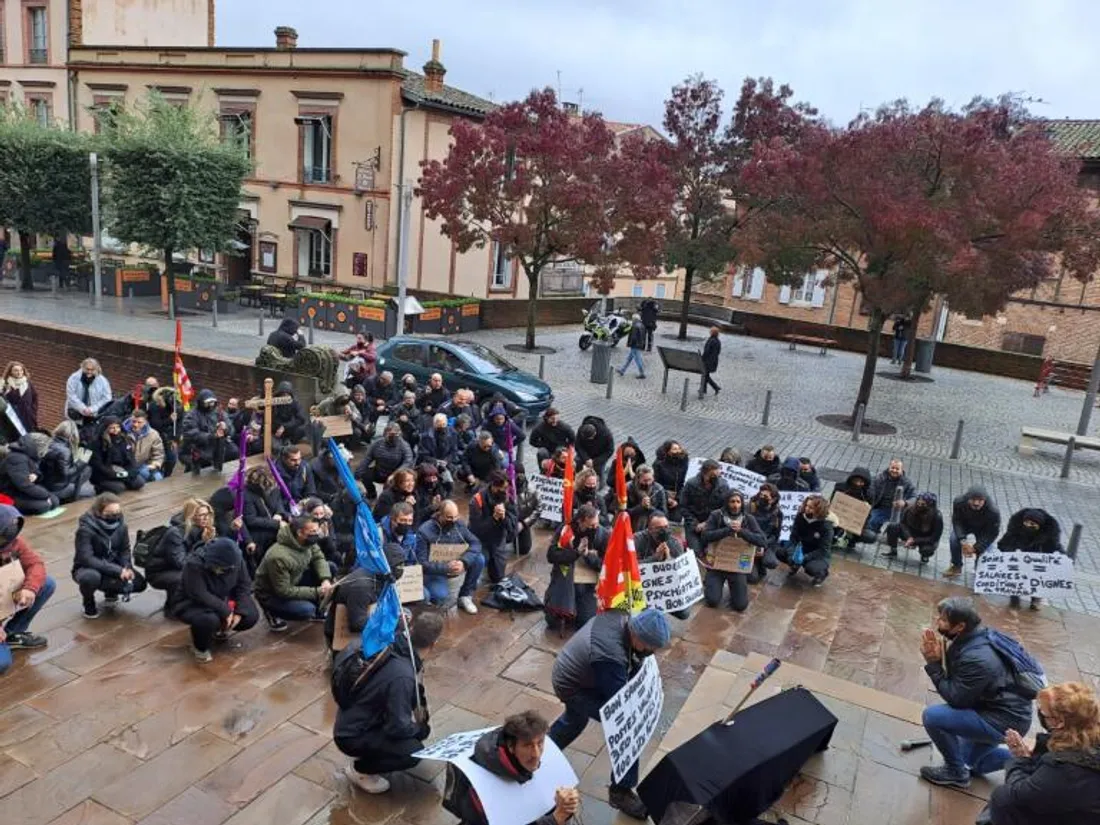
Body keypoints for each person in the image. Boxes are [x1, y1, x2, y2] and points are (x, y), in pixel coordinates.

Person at [549, 608, 672, 819]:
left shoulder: (621, 617)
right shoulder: (611, 657)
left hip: (573, 673)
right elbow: (619, 708)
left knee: (575, 721)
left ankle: (544, 752)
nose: (651, 653)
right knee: (629, 730)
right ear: (638, 637)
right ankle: (620, 791)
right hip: (573, 686)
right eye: (650, 648)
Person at [918, 597, 1032, 790]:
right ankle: (1027, 762)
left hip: (1002, 720)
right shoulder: (977, 637)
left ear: (960, 626)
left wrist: (934, 664)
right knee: (972, 762)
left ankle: (955, 772)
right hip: (1006, 714)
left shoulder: (977, 658)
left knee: (933, 717)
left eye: (944, 620)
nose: (938, 622)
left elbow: (956, 698)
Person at [333, 611, 444, 794]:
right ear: (434, 644)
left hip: (351, 716)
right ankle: (361, 770)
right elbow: (398, 727)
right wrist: (419, 730)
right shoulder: (403, 675)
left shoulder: (389, 644)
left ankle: (373, 749)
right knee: (413, 751)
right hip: (352, 734)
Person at [987, 681, 1100, 825]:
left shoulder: (1066, 767)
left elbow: (1021, 794)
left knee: (1002, 798)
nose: (1040, 714)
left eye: (1043, 713)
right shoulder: (1087, 737)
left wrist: (1021, 759)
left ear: (1059, 722)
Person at [444, 710, 582, 825]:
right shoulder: (484, 791)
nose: (536, 754)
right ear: (511, 747)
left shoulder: (524, 761)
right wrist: (556, 818)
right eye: (527, 745)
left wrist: (566, 805)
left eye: (540, 743)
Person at [173, 537, 258, 663]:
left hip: (224, 597)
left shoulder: (236, 560)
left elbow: (244, 585)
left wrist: (240, 611)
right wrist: (226, 611)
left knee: (250, 615)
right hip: (193, 603)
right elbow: (199, 593)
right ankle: (200, 647)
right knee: (208, 620)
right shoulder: (194, 564)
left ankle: (220, 630)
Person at [325, 542, 409, 654]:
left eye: (403, 564)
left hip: (366, 616)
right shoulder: (361, 587)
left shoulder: (380, 576)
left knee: (405, 614)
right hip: (345, 636)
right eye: (398, 566)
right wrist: (391, 623)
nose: (401, 569)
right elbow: (356, 624)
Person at [254, 514, 335, 631]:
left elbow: (318, 558)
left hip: (295, 577)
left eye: (317, 530)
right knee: (306, 610)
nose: (316, 534)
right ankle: (271, 611)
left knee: (330, 567)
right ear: (300, 533)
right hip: (272, 593)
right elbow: (284, 591)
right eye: (313, 531)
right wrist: (318, 592)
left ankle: (319, 609)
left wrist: (325, 579)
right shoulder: (278, 556)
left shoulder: (307, 542)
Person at [72, 493, 147, 618]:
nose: (115, 516)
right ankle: (88, 602)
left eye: (117, 512)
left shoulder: (121, 526)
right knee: (90, 578)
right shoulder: (85, 530)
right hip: (88, 568)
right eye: (110, 513)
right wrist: (118, 571)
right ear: (99, 512)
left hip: (113, 564)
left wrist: (126, 567)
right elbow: (87, 559)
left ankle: (110, 592)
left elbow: (125, 550)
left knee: (139, 583)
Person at [0, 504, 53, 672]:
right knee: (2, 665)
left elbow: (35, 563)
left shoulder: (14, 542)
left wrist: (29, 588)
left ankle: (12, 633)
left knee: (47, 584)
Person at [701, 490, 768, 612]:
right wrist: (727, 530)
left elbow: (763, 541)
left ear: (742, 503)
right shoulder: (716, 515)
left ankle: (734, 590)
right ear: (727, 502)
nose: (735, 505)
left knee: (740, 606)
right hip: (717, 565)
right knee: (712, 601)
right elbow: (705, 536)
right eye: (732, 501)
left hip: (737, 567)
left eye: (738, 502)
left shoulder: (748, 519)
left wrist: (742, 531)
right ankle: (711, 583)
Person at [544, 504, 608, 631]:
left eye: (596, 524)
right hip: (564, 579)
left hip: (587, 585)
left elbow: (606, 565)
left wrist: (588, 556)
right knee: (552, 622)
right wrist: (575, 553)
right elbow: (551, 555)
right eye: (590, 526)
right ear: (580, 521)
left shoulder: (602, 534)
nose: (595, 528)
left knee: (585, 623)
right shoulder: (565, 529)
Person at [146, 497, 215, 613]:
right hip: (160, 572)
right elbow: (181, 563)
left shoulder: (204, 529)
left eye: (207, 514)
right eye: (201, 515)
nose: (206, 518)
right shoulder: (175, 533)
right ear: (191, 516)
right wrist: (203, 543)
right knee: (183, 577)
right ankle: (173, 608)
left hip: (180, 566)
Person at [416, 500, 484, 614]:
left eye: (455, 517)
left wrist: (464, 561)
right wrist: (446, 568)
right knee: (440, 596)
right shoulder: (424, 531)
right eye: (449, 517)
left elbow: (476, 543)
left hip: (456, 562)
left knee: (479, 559)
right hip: (435, 570)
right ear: (440, 514)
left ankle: (465, 595)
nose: (453, 520)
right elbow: (421, 563)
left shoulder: (459, 524)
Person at [997, 509, 1064, 611]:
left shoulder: (1048, 535)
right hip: (1019, 560)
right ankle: (1014, 599)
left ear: (1039, 526)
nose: (1028, 526)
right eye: (1026, 523)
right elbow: (1003, 544)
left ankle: (1035, 599)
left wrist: (1063, 558)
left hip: (1036, 561)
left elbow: (1054, 548)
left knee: (1037, 579)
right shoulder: (1015, 529)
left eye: (1032, 524)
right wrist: (1011, 552)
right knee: (1015, 577)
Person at [633, 512, 691, 619]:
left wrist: (668, 559)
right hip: (644, 588)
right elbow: (630, 568)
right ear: (649, 529)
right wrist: (655, 558)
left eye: (666, 527)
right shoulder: (637, 540)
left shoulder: (674, 543)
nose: (664, 531)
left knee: (684, 613)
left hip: (665, 588)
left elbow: (681, 571)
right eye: (659, 528)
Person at [469, 470, 519, 584]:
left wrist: (504, 516)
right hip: (481, 540)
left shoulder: (509, 497)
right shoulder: (477, 500)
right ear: (493, 486)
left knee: (498, 578)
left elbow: (513, 525)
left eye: (506, 488)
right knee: (478, 562)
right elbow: (477, 529)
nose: (504, 492)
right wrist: (494, 518)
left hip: (498, 539)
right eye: (502, 489)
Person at [776, 495, 834, 586]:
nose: (807, 509)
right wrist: (792, 555)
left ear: (819, 510)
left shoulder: (826, 527)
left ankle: (822, 574)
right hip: (801, 548)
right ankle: (794, 566)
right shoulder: (800, 517)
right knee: (780, 552)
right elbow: (793, 537)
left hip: (816, 554)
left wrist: (804, 558)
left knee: (811, 569)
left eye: (811, 508)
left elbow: (823, 550)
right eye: (806, 505)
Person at [945, 485, 1001, 579]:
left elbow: (991, 533)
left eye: (980, 500)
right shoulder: (959, 502)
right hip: (966, 525)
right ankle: (956, 566)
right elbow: (957, 521)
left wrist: (976, 548)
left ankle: (979, 569)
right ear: (967, 498)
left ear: (985, 500)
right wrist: (963, 541)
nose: (976, 503)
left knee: (987, 550)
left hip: (984, 530)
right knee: (954, 539)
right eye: (973, 499)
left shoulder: (993, 511)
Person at [0, 434, 60, 515]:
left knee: (54, 501)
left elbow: (36, 472)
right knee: (44, 506)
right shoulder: (16, 458)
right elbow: (24, 485)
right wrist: (46, 495)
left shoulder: (26, 454)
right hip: (10, 494)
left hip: (20, 491)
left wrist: (36, 475)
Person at [180, 390, 238, 473]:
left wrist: (225, 428)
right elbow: (191, 434)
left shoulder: (219, 412)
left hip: (218, 446)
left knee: (234, 451)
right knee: (201, 462)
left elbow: (231, 429)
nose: (211, 405)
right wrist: (211, 436)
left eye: (212, 402)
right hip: (199, 447)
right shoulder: (191, 415)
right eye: (208, 403)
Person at [681, 459, 730, 555]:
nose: (716, 478)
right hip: (693, 524)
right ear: (704, 473)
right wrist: (695, 523)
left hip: (714, 524)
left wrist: (707, 523)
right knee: (696, 552)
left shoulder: (723, 485)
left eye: (718, 475)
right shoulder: (691, 484)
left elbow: (724, 508)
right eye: (713, 476)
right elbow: (683, 506)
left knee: (713, 553)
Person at [41, 421, 94, 503]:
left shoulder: (48, 443)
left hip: (47, 482)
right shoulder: (65, 451)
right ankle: (71, 502)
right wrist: (82, 461)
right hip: (57, 487)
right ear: (73, 434)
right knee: (90, 492)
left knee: (87, 469)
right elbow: (66, 474)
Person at [89, 417, 146, 494]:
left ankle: (123, 482)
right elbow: (98, 465)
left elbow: (131, 459)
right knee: (119, 488)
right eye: (112, 428)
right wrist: (114, 475)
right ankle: (100, 487)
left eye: (118, 427)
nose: (116, 430)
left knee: (139, 482)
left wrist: (130, 472)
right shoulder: (97, 443)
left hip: (122, 469)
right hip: (106, 473)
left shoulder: (124, 439)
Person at [242, 466, 289, 560]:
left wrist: (279, 513)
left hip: (274, 521)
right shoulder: (246, 495)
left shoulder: (273, 487)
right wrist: (276, 524)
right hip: (260, 531)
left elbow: (278, 500)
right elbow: (251, 520)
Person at [885, 492, 944, 562]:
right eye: (918, 503)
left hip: (925, 538)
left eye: (923, 504)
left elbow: (934, 537)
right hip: (910, 533)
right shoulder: (909, 508)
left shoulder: (937, 516)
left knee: (927, 549)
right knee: (892, 527)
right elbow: (903, 524)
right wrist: (909, 537)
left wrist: (915, 540)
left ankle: (925, 556)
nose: (919, 506)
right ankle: (893, 550)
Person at [356, 422, 414, 491]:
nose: (392, 436)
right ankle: (371, 493)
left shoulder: (404, 446)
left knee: (387, 491)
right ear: (385, 433)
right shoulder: (377, 443)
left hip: (395, 474)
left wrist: (394, 475)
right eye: (389, 433)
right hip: (379, 471)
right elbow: (367, 459)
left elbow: (408, 462)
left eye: (395, 434)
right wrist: (357, 474)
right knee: (365, 474)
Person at [831, 467, 875, 550]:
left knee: (870, 536)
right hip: (837, 520)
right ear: (851, 479)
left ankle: (852, 539)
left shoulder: (869, 494)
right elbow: (832, 505)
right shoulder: (840, 487)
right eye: (856, 481)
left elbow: (868, 516)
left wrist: (865, 510)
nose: (858, 484)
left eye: (861, 482)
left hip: (854, 523)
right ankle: (832, 537)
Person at [867, 459, 915, 535]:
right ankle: (875, 529)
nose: (894, 470)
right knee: (871, 522)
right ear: (889, 467)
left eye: (897, 469)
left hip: (899, 510)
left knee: (901, 531)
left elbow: (914, 497)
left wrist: (905, 502)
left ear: (901, 470)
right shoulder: (879, 478)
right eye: (892, 468)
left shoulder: (907, 482)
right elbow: (870, 488)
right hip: (881, 507)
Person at [65, 358, 112, 430]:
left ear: (96, 369)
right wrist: (83, 408)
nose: (89, 372)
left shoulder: (103, 381)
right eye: (87, 369)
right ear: (82, 367)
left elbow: (107, 398)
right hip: (75, 414)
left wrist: (92, 409)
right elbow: (71, 395)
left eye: (92, 370)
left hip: (93, 416)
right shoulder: (73, 378)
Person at [748, 483, 782, 581]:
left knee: (771, 562)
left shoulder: (777, 513)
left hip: (765, 544)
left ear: (774, 499)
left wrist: (764, 545)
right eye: (761, 495)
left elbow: (776, 535)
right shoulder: (750, 506)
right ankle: (754, 563)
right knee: (752, 579)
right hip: (749, 542)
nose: (762, 498)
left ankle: (759, 562)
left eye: (766, 496)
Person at [146, 385, 181, 477]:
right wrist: (169, 419)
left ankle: (166, 476)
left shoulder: (173, 407)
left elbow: (179, 424)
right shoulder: (154, 406)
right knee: (158, 458)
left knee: (172, 459)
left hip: (169, 438)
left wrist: (175, 439)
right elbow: (155, 424)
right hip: (158, 436)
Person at [124, 409, 165, 484]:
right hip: (127, 466)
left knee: (158, 478)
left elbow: (158, 454)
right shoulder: (122, 433)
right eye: (133, 421)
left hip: (143, 464)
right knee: (140, 481)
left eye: (139, 422)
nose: (136, 424)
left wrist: (154, 464)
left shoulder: (153, 434)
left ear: (145, 422)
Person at [652, 440, 689, 522]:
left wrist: (677, 499)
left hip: (677, 496)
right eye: (674, 449)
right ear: (667, 451)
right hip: (662, 493)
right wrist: (666, 497)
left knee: (676, 519)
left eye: (679, 448)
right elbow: (657, 483)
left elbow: (683, 482)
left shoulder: (684, 460)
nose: (678, 451)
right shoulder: (659, 464)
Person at [417, 413, 461, 482]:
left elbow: (454, 450)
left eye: (443, 424)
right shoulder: (426, 436)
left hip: (447, 461)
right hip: (431, 462)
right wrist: (436, 461)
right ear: (434, 424)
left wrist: (446, 460)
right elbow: (423, 454)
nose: (442, 427)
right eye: (439, 425)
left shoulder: (453, 433)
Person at [622, 465, 666, 532]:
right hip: (630, 525)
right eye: (645, 481)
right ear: (638, 478)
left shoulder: (659, 489)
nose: (648, 483)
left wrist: (650, 507)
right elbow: (623, 512)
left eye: (650, 480)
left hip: (651, 526)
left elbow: (663, 513)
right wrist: (641, 507)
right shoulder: (628, 488)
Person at [269, 381, 309, 447]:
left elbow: (301, 419)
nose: (285, 396)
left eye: (287, 394)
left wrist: (285, 427)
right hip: (277, 430)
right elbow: (272, 419)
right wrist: (279, 427)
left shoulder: (294, 402)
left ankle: (290, 441)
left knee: (304, 427)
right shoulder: (274, 403)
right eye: (283, 394)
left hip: (290, 429)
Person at [1, 361, 38, 432]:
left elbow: (35, 397)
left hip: (27, 416)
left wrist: (33, 411)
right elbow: (3, 401)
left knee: (28, 435)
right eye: (16, 370)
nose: (19, 373)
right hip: (13, 417)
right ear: (10, 372)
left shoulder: (28, 383)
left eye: (21, 370)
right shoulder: (5, 384)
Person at [575, 416, 614, 480]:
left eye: (591, 438)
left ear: (595, 432)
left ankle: (599, 485)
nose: (590, 440)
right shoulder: (581, 430)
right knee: (576, 464)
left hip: (599, 456)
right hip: (584, 454)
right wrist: (586, 458)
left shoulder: (607, 434)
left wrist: (595, 461)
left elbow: (609, 451)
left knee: (599, 473)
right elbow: (578, 445)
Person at [616, 315, 647, 379]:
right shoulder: (642, 325)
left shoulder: (634, 326)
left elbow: (633, 337)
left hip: (635, 345)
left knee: (638, 359)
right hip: (639, 344)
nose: (632, 320)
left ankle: (642, 373)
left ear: (634, 319)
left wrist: (629, 344)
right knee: (629, 358)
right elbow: (644, 336)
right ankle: (622, 370)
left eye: (632, 319)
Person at [699, 326, 721, 397]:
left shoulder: (711, 340)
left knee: (705, 375)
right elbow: (718, 352)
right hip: (714, 361)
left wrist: (702, 358)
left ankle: (715, 387)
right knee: (706, 374)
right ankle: (703, 389)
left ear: (712, 333)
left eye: (710, 331)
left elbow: (707, 351)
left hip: (708, 361)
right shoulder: (718, 341)